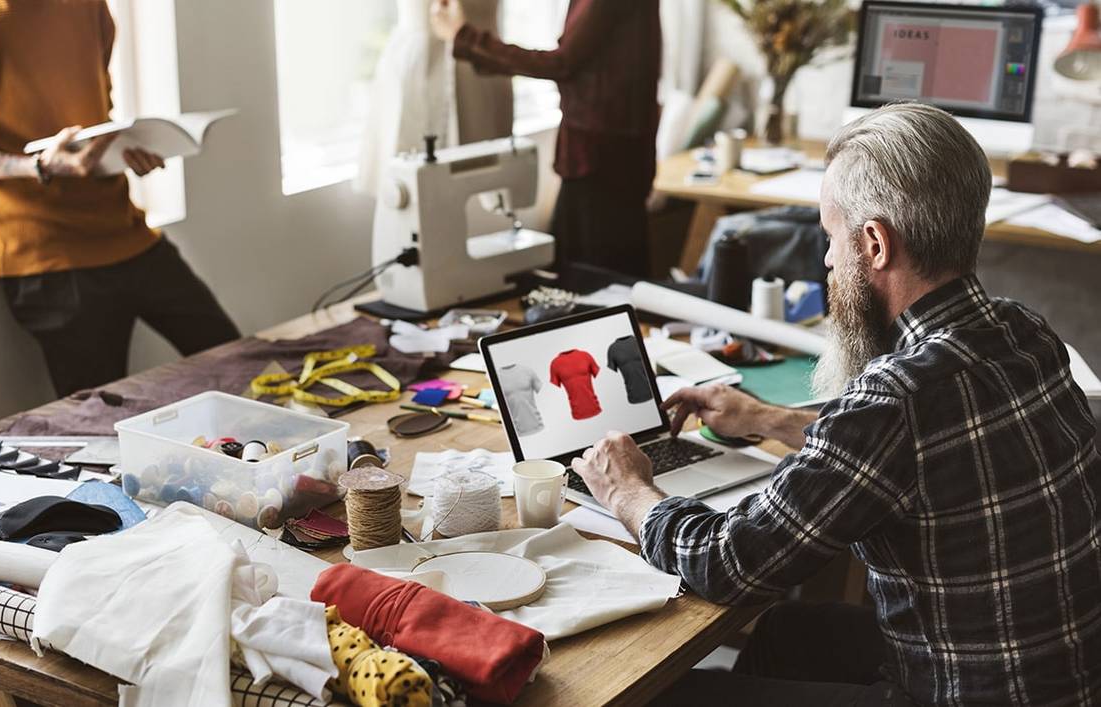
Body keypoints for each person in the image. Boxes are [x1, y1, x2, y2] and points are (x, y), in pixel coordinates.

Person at [571, 103, 1101, 705]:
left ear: (874, 243)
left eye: (830, 236)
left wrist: (627, 490)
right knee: (789, 632)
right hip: (1064, 676)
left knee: (667, 693)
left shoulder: (893, 401)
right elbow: (925, 441)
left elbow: (728, 565)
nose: (826, 259)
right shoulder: (1025, 333)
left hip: (954, 691)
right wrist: (770, 420)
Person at [0, 0, 239, 398]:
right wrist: (40, 167)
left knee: (237, 363)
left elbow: (97, 111)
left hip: (130, 236)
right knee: (98, 424)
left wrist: (126, 150)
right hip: (49, 263)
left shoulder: (90, 5)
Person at [429, 0, 661, 278]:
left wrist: (465, 38)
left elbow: (562, 63)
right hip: (611, 151)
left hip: (600, 156)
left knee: (595, 278)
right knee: (598, 273)